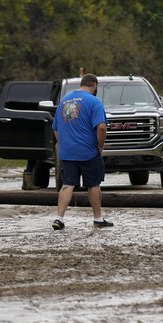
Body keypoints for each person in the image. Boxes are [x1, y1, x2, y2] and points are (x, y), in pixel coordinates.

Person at [51, 72, 113, 229]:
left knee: (67, 185)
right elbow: (101, 127)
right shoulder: (94, 102)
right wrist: (100, 146)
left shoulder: (64, 101)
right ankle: (98, 219)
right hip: (88, 152)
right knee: (93, 184)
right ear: (95, 86)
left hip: (68, 152)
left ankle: (59, 218)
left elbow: (56, 129)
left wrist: (65, 144)